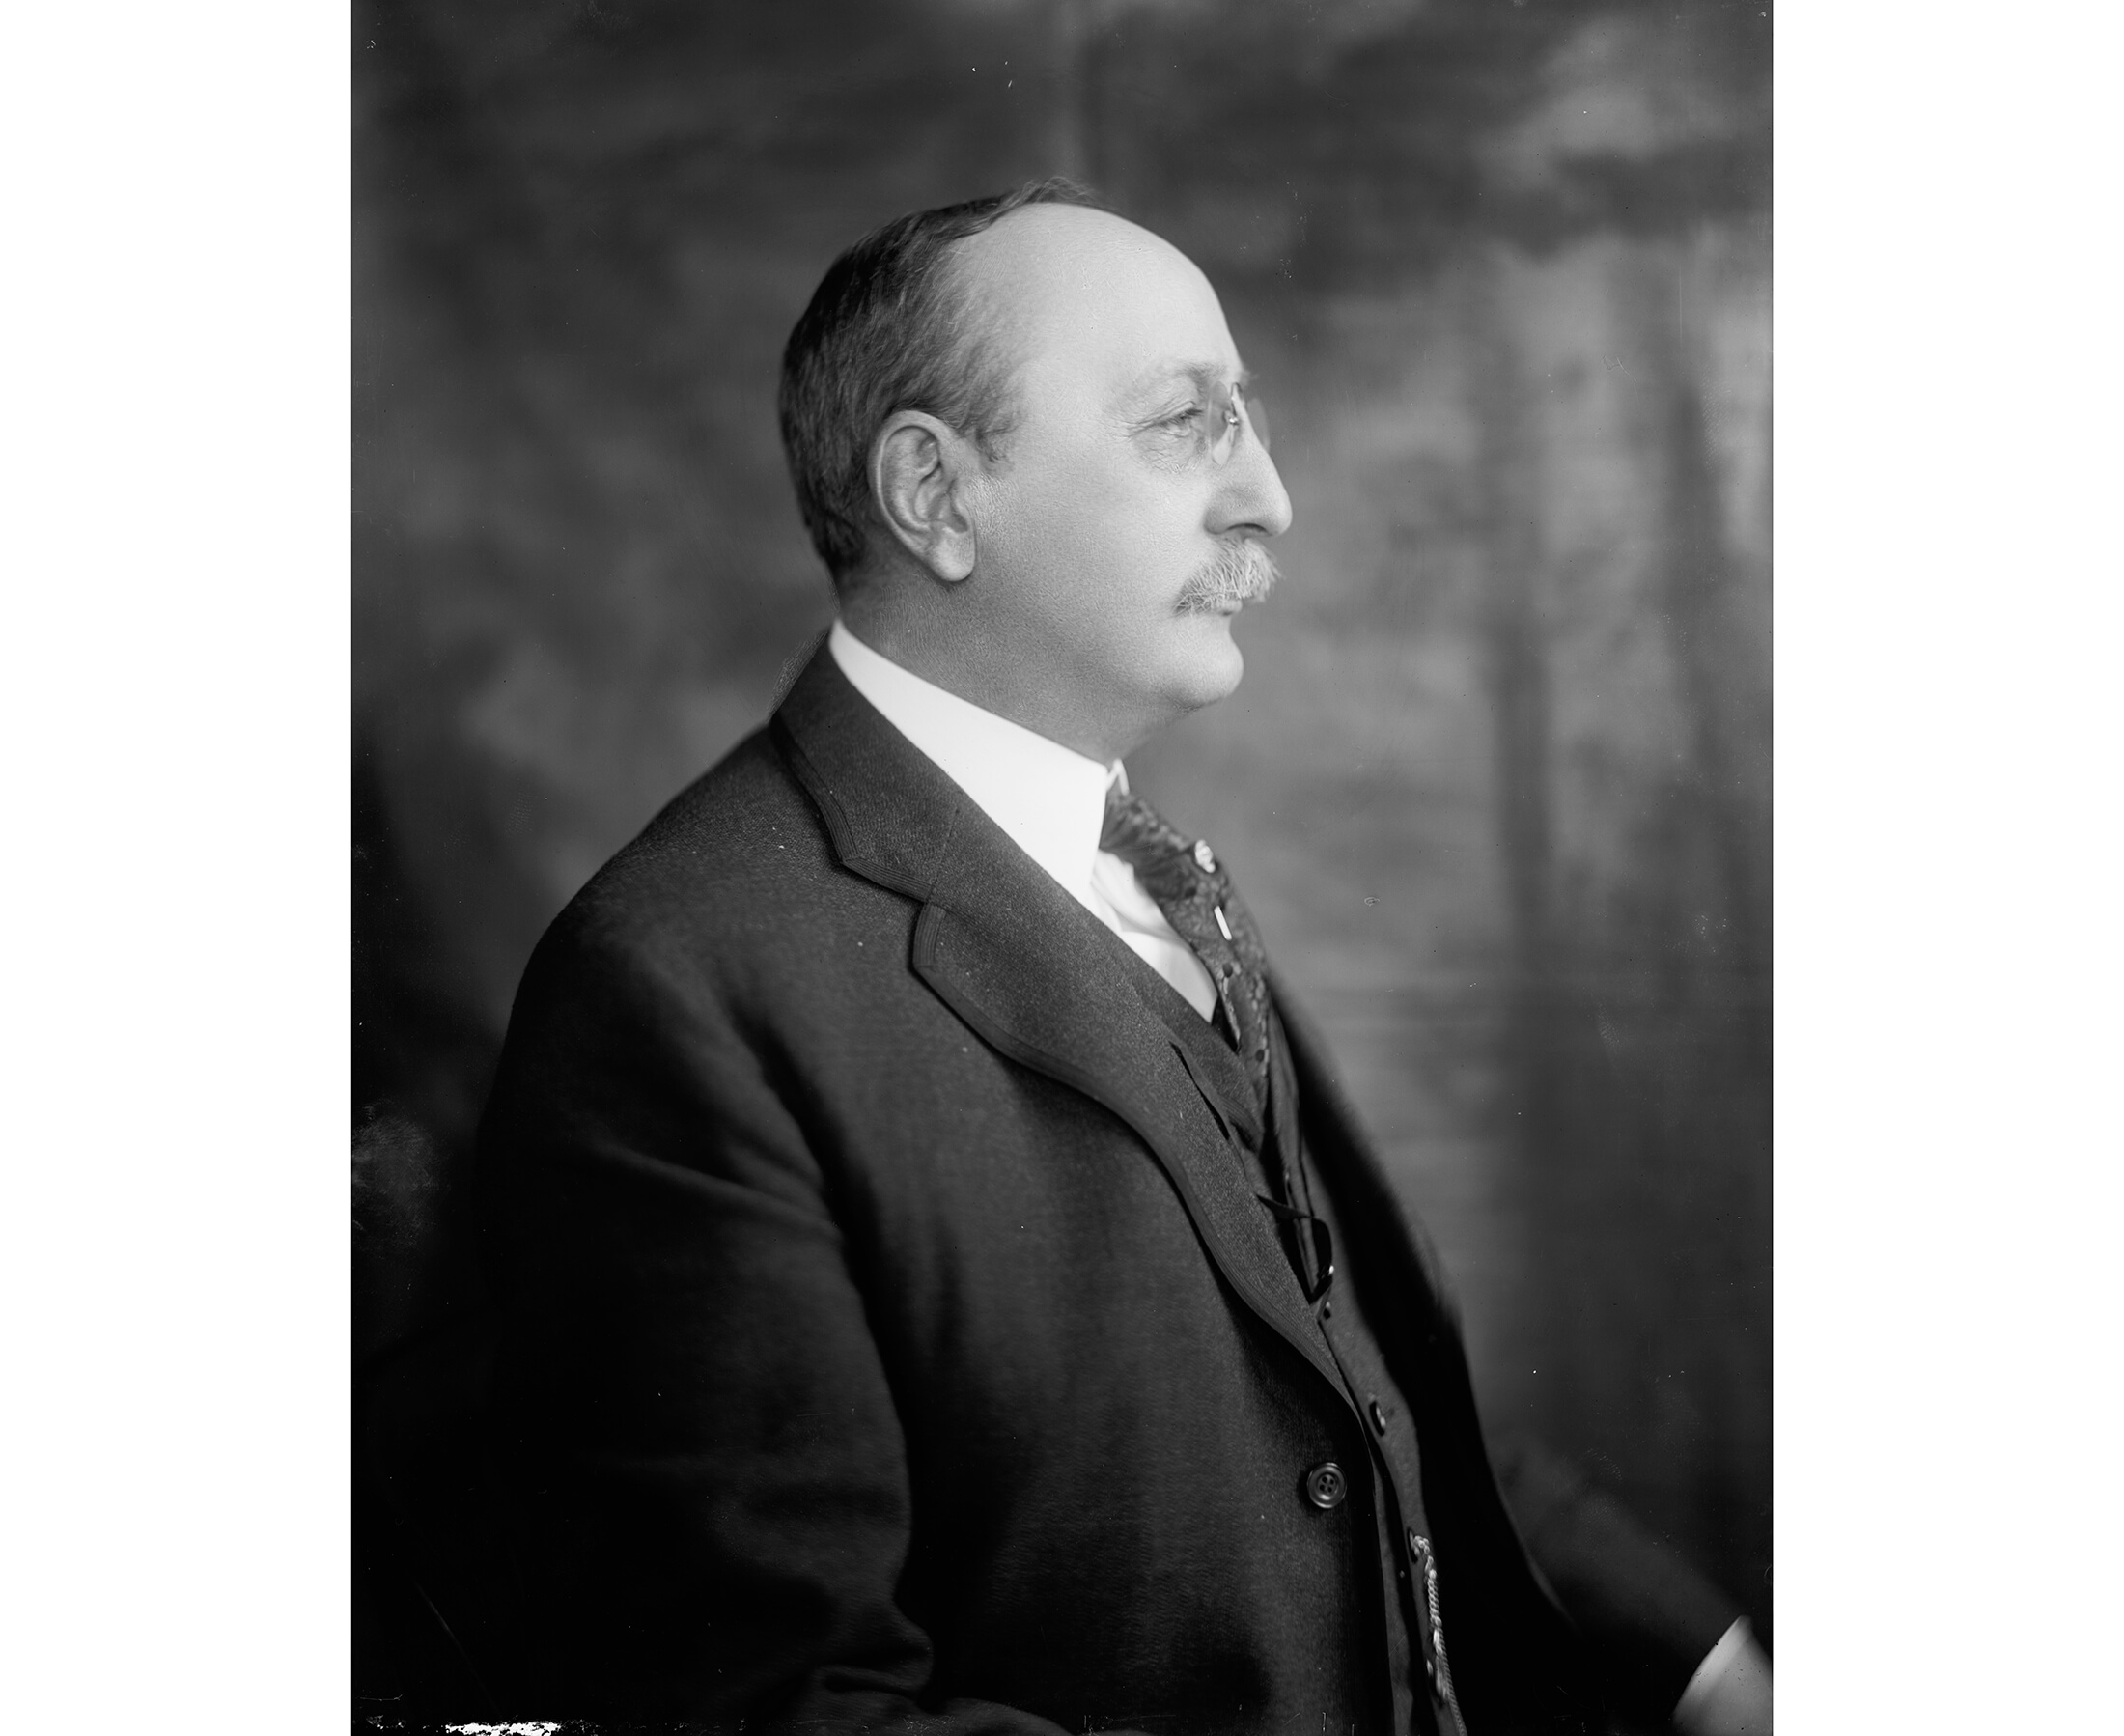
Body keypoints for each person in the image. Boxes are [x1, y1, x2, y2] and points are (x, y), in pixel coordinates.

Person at [474, 179, 1770, 1734]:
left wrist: (1715, 1678)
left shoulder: (1150, 875)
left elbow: (1372, 1408)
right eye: (1185, 424)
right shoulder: (675, 988)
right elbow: (788, 1704)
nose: (1269, 498)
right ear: (937, 498)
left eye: (1254, 420)